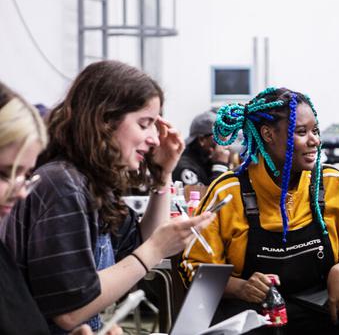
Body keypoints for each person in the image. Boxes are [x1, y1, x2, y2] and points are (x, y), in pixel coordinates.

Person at [3, 60, 216, 334]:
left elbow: (141, 242)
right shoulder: (64, 185)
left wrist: (163, 176)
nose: (154, 138)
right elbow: (70, 311)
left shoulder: (90, 183)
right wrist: (156, 250)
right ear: (104, 120)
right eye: (144, 124)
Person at [180, 87, 339, 335]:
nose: (314, 140)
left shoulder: (331, 182)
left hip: (322, 309)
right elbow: (196, 269)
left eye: (315, 131)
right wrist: (240, 287)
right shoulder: (229, 192)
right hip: (253, 316)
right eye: (301, 132)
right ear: (268, 134)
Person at [0, 81, 122, 335]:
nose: (21, 191)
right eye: (4, 174)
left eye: (24, 175)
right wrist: (154, 251)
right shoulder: (64, 186)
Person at [172, 110, 231, 186]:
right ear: (202, 140)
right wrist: (220, 165)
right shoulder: (184, 167)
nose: (226, 143)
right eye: (221, 137)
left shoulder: (207, 160)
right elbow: (210, 196)